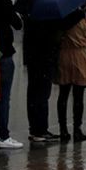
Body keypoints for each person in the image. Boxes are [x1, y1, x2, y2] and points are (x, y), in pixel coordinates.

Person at [0, 0, 23, 149]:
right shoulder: (3, 1)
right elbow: (18, 25)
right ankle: (4, 135)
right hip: (5, 54)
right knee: (4, 97)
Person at [54, 8, 86, 142]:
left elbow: (56, 38)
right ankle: (77, 129)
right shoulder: (80, 19)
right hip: (79, 56)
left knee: (63, 94)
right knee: (78, 96)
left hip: (63, 56)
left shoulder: (60, 19)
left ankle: (63, 130)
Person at [23, 13, 60, 143]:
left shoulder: (29, 13)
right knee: (42, 95)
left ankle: (35, 128)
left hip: (33, 58)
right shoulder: (47, 17)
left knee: (33, 93)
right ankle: (40, 129)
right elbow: (53, 37)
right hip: (44, 59)